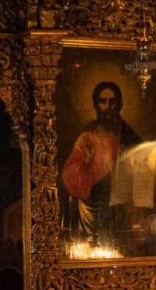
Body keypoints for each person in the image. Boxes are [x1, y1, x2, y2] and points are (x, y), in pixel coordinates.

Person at [61, 81, 142, 243]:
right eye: (103, 101)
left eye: (112, 101)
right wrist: (85, 165)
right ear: (96, 105)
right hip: (95, 200)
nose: (108, 106)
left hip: (123, 202)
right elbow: (69, 171)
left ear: (119, 104)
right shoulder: (87, 136)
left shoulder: (128, 135)